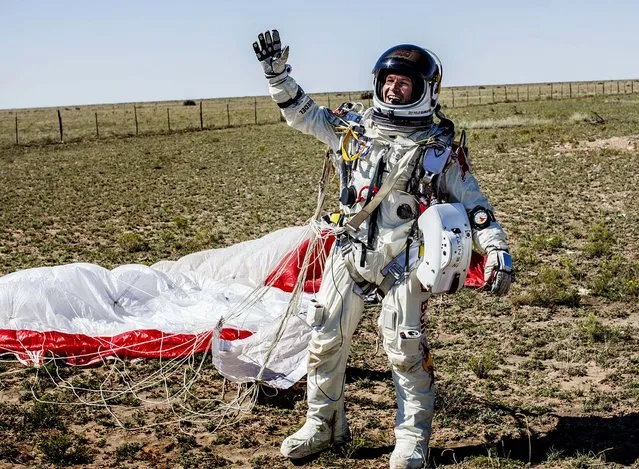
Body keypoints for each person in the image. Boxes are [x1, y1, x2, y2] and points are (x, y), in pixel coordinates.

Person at [253, 30, 513, 469]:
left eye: (404, 83)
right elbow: (302, 114)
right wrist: (277, 75)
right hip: (350, 251)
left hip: (404, 261)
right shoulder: (353, 129)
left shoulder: (439, 149)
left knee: (404, 350)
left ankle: (411, 440)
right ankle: (323, 425)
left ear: (425, 90)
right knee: (324, 339)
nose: (394, 89)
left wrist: (496, 250)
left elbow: (475, 206)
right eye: (388, 81)